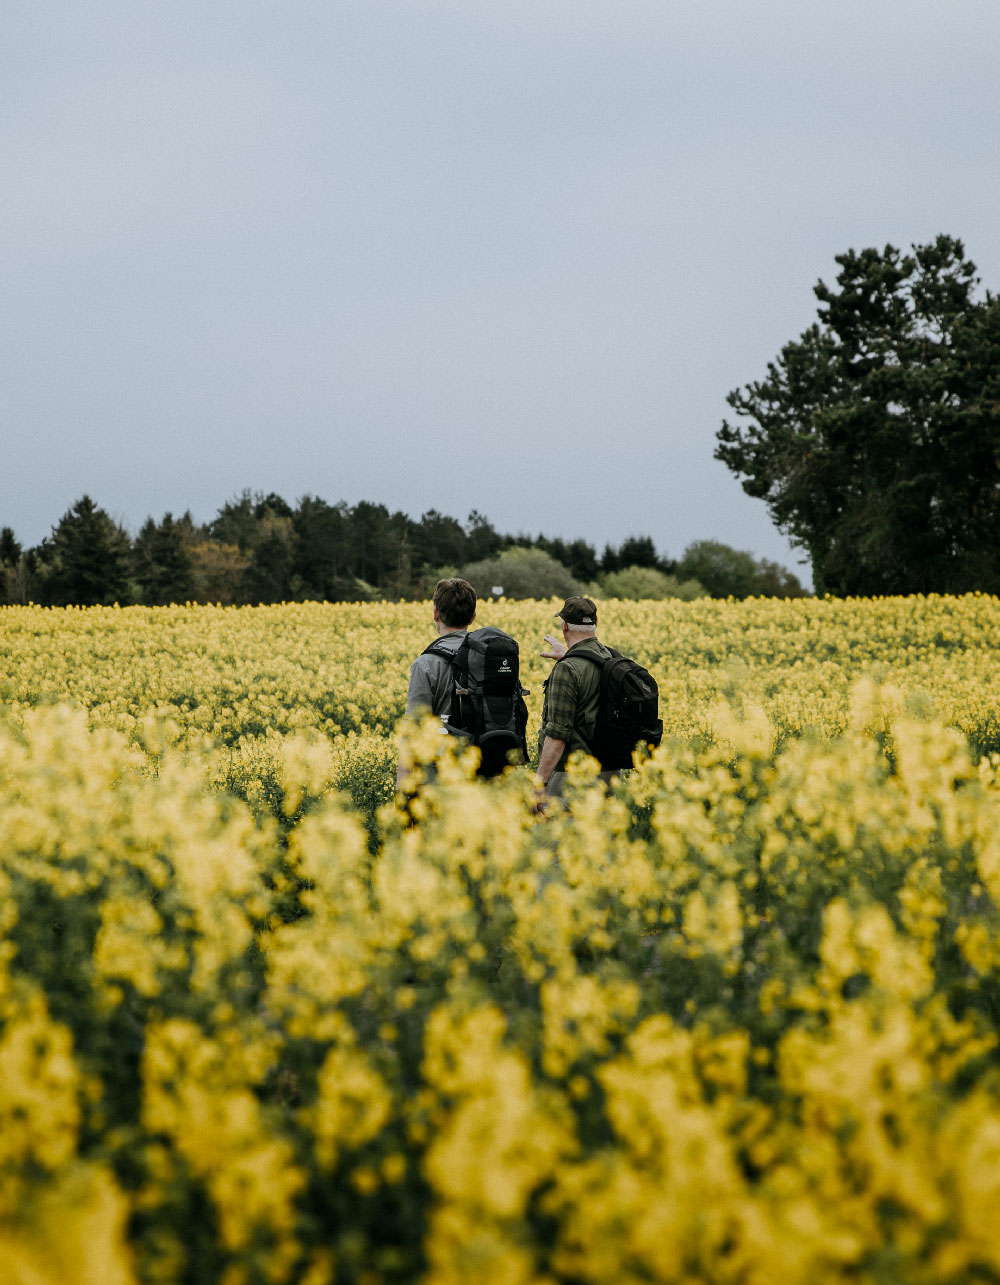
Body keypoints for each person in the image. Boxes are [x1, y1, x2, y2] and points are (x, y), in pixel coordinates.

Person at [396, 577, 477, 788]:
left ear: (436, 614)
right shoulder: (493, 658)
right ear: (473, 617)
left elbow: (413, 731)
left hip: (440, 781)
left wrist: (402, 790)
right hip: (486, 778)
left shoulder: (426, 664)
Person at [535, 595, 616, 800]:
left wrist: (540, 782)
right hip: (609, 774)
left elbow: (557, 734)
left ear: (564, 626)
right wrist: (569, 656)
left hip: (572, 779)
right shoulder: (612, 659)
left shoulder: (567, 670)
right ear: (595, 624)